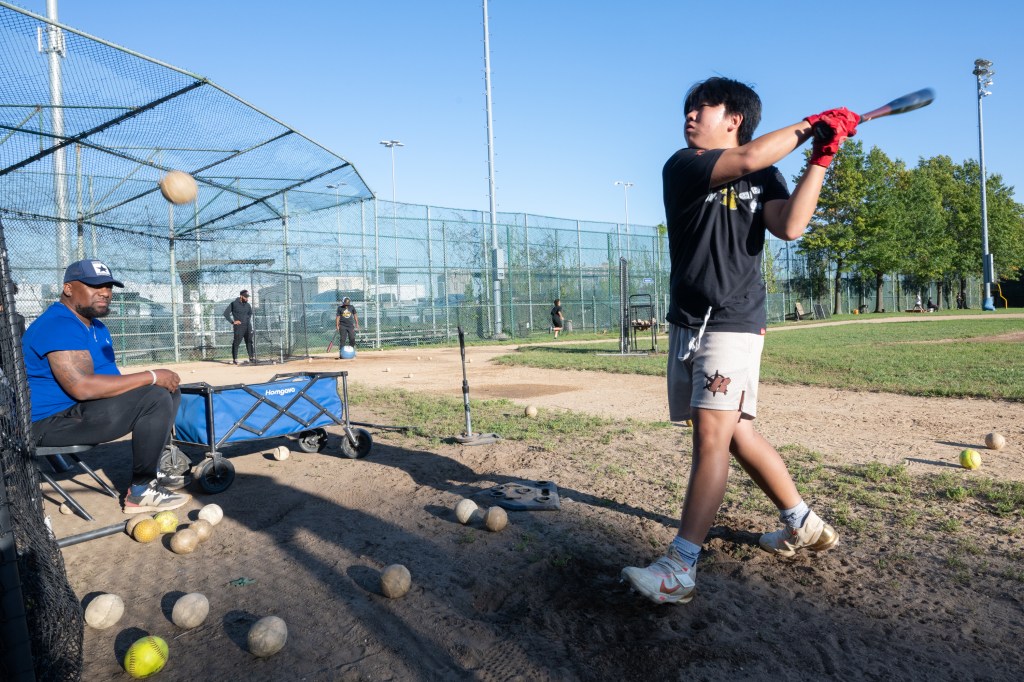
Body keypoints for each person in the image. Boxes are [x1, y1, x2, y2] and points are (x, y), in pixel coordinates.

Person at [620, 77, 854, 604]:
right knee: (737, 436)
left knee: (711, 436)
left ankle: (680, 567)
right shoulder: (685, 165)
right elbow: (745, 159)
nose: (690, 114)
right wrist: (810, 124)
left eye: (704, 106)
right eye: (688, 107)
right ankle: (804, 522)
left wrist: (822, 155)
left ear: (734, 118)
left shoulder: (765, 173)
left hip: (734, 321)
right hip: (688, 322)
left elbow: (790, 225)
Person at [22, 259, 190, 513]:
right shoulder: (58, 323)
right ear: (68, 289)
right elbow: (83, 388)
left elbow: (111, 383)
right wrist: (152, 375)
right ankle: (141, 491)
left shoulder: (96, 326)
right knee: (154, 394)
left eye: (109, 286)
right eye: (94, 285)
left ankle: (151, 474)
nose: (105, 292)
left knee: (167, 389)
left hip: (77, 411)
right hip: (46, 423)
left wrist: (156, 380)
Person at [223, 289, 254, 364]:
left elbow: (250, 313)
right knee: (236, 342)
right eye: (245, 297)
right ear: (241, 296)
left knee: (249, 341)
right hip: (239, 327)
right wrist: (233, 322)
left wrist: (247, 320)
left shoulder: (248, 305)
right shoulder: (234, 304)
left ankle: (251, 357)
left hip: (248, 326)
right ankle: (235, 359)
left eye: (247, 297)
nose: (247, 298)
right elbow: (226, 313)